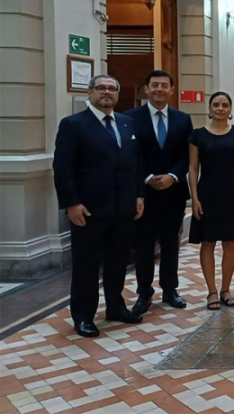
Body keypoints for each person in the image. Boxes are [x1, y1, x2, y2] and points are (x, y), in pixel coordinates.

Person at [53, 75, 145, 337]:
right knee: (86, 264)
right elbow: (62, 168)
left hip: (123, 208)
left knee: (119, 261)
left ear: (117, 94)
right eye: (101, 88)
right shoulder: (73, 124)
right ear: (90, 92)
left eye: (112, 89)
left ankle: (115, 307)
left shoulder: (127, 123)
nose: (107, 93)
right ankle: (83, 315)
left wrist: (139, 196)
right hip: (89, 209)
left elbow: (134, 165)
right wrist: (71, 203)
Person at [127, 70, 193, 316]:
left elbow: (187, 155)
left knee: (170, 244)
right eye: (154, 85)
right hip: (143, 193)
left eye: (164, 85)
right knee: (143, 245)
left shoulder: (182, 119)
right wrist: (148, 178)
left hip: (173, 193)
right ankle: (144, 293)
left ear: (171, 90)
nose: (159, 89)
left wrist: (173, 177)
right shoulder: (130, 118)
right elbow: (130, 154)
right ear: (146, 88)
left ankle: (170, 290)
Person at [188, 92, 234, 310]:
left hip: (233, 193)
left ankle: (226, 288)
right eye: (216, 104)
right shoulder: (198, 135)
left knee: (230, 242)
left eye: (224, 105)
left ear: (230, 108)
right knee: (208, 242)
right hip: (207, 193)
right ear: (210, 108)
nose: (220, 108)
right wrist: (194, 198)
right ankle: (211, 291)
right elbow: (193, 168)